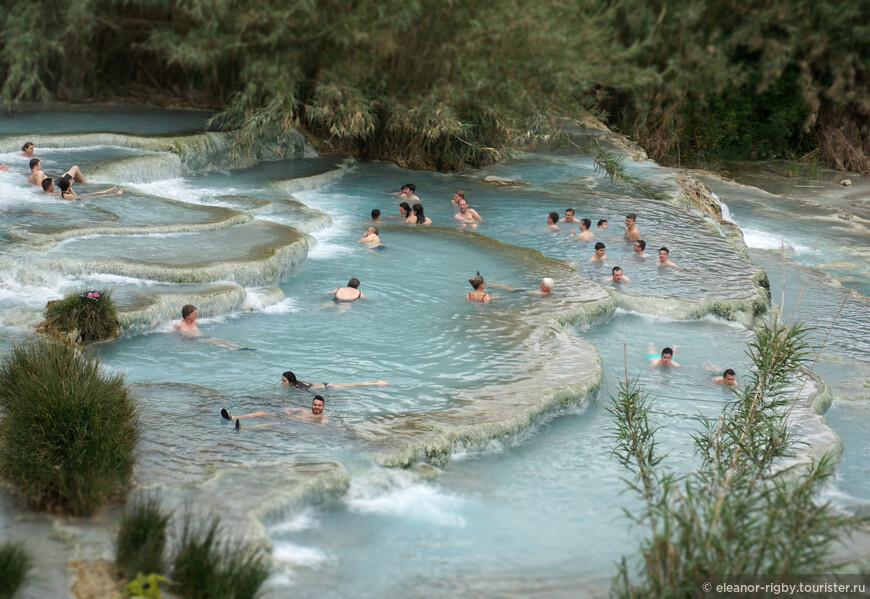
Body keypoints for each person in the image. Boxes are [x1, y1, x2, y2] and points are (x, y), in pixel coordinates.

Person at [222, 395, 330, 429]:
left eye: (319, 406)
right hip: (287, 418)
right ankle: (234, 417)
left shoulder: (323, 418)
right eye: (315, 404)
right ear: (312, 404)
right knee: (261, 412)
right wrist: (289, 414)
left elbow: (322, 427)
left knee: (275, 423)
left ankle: (244, 428)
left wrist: (298, 421)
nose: (316, 407)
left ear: (323, 407)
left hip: (291, 423)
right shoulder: (305, 410)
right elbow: (287, 409)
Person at [281, 371, 388, 391]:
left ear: (290, 382)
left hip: (329, 387)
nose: (282, 383)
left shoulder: (297, 387)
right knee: (354, 384)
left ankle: (376, 383)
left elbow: (308, 394)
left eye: (284, 381)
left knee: (354, 385)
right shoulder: (299, 382)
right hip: (326, 384)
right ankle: (375, 382)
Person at [57, 177, 122, 200]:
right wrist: (72, 190)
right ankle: (116, 193)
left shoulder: (61, 193)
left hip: (78, 197)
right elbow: (76, 197)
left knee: (96, 193)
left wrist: (69, 188)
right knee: (98, 195)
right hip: (80, 199)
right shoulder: (69, 195)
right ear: (68, 187)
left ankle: (111, 190)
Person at [486, 277, 554, 297]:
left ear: (546, 288)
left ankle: (485, 284)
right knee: (506, 286)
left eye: (542, 285)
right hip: (522, 291)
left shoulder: (543, 294)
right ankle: (486, 283)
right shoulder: (545, 293)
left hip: (520, 293)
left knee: (505, 287)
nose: (540, 285)